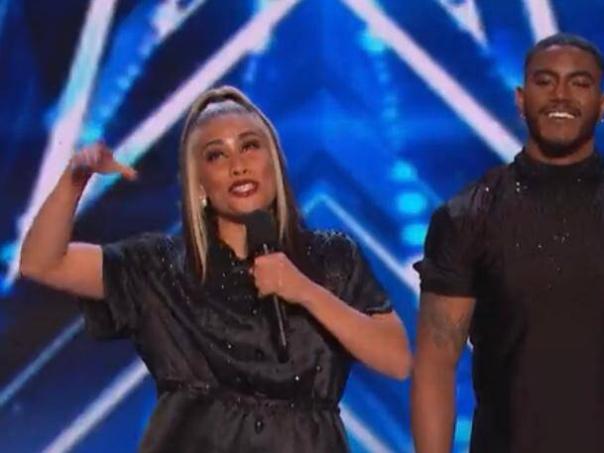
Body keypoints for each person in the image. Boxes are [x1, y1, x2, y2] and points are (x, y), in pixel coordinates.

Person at [19, 85, 410, 452]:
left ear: (273, 161)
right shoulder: (163, 268)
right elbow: (43, 263)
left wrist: (306, 292)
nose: (238, 165)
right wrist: (74, 181)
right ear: (200, 184)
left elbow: (396, 359)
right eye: (217, 155)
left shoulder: (331, 258)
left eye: (250, 146)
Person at [412, 32, 604, 453]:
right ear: (520, 98)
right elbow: (435, 369)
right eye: (545, 81)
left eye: (579, 83)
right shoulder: (468, 216)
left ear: (601, 104)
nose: (561, 95)